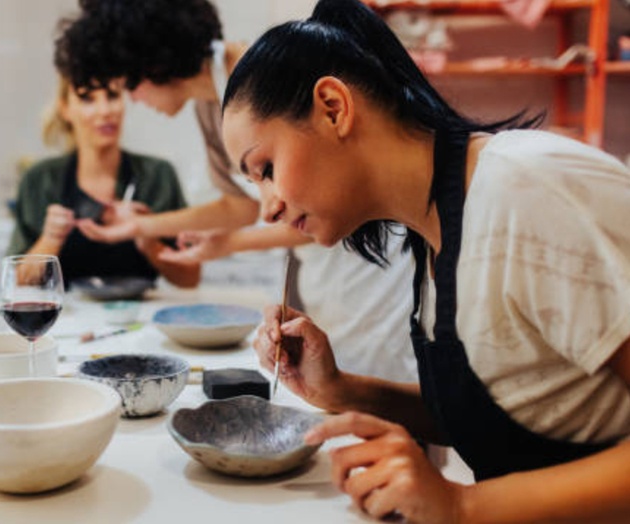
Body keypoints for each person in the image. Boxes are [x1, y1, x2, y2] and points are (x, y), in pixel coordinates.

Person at [221, 0, 630, 521]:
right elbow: (498, 413)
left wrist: (462, 503)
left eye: (267, 167)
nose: (269, 207)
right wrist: (341, 389)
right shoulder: (431, 229)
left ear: (332, 107)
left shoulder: (526, 189)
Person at [55, 0, 417, 382]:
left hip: (366, 266)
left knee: (386, 394)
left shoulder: (257, 87)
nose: (134, 101)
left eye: (130, 86)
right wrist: (140, 227)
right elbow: (241, 206)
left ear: (154, 65)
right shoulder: (212, 101)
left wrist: (227, 244)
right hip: (327, 273)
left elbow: (307, 205)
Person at [7, 75, 200, 289]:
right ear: (65, 109)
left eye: (112, 96)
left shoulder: (158, 176)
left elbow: (190, 279)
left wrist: (147, 238)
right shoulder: (39, 180)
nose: (105, 110)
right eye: (87, 98)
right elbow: (16, 283)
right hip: (67, 318)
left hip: (139, 318)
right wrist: (50, 239)